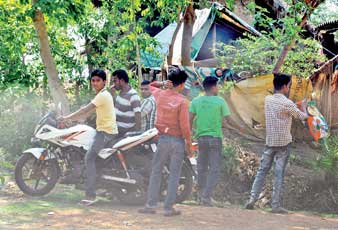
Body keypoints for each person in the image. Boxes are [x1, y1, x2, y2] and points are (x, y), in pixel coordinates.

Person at [244, 73, 308, 214]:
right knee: (278, 174)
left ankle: (252, 199)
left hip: (270, 142)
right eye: (289, 85)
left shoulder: (268, 100)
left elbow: (285, 108)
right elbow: (302, 117)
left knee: (261, 172)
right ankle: (275, 205)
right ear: (285, 86)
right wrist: (303, 107)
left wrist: (295, 106)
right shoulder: (287, 103)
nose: (289, 88)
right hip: (283, 144)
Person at [59, 69, 118, 205]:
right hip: (104, 131)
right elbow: (88, 113)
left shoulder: (102, 95)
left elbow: (85, 109)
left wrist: (66, 118)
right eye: (93, 80)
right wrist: (75, 120)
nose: (95, 83)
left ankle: (90, 195)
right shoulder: (103, 95)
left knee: (89, 158)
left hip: (105, 132)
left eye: (98, 80)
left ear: (104, 82)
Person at [138, 68, 192, 217]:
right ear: (181, 84)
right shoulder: (182, 101)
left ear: (170, 82)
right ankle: (168, 208)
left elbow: (150, 86)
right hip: (178, 141)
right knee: (174, 174)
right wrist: (189, 145)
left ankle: (150, 205)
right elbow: (185, 127)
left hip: (162, 139)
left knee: (156, 171)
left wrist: (162, 83)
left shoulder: (160, 95)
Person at [189, 76, 231, 206]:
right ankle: (206, 196)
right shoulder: (220, 101)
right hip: (215, 138)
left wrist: (189, 134)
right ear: (213, 87)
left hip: (201, 138)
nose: (218, 88)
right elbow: (228, 120)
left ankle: (201, 194)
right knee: (215, 168)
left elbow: (189, 119)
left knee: (201, 167)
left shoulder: (196, 101)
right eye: (217, 86)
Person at [111, 69, 142, 136]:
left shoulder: (133, 96)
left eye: (115, 81)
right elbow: (117, 108)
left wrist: (133, 134)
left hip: (125, 134)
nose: (114, 84)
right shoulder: (121, 92)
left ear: (122, 81)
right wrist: (113, 95)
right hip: (116, 130)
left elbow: (138, 117)